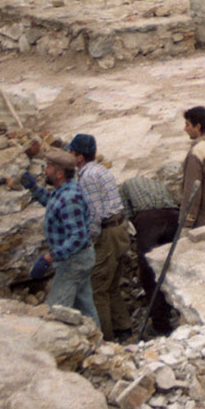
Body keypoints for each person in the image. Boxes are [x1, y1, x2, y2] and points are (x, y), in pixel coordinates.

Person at [21, 148, 99, 330]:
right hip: (77, 259)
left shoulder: (70, 198)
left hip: (74, 262)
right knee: (84, 307)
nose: (45, 170)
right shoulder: (63, 190)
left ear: (59, 173)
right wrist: (34, 188)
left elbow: (78, 237)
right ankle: (98, 340)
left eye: (48, 167)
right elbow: (52, 202)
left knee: (55, 310)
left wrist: (50, 257)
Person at [67, 133, 130, 338]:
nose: (69, 156)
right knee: (112, 285)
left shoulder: (87, 177)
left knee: (98, 289)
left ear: (79, 157)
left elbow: (95, 213)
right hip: (119, 229)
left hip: (108, 233)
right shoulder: (100, 170)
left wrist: (88, 241)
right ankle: (123, 327)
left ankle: (107, 339)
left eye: (71, 152)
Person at [119, 174, 179, 334]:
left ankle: (161, 325)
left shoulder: (124, 187)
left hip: (148, 221)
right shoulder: (156, 183)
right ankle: (176, 311)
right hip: (173, 217)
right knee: (170, 268)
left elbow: (127, 216)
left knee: (150, 274)